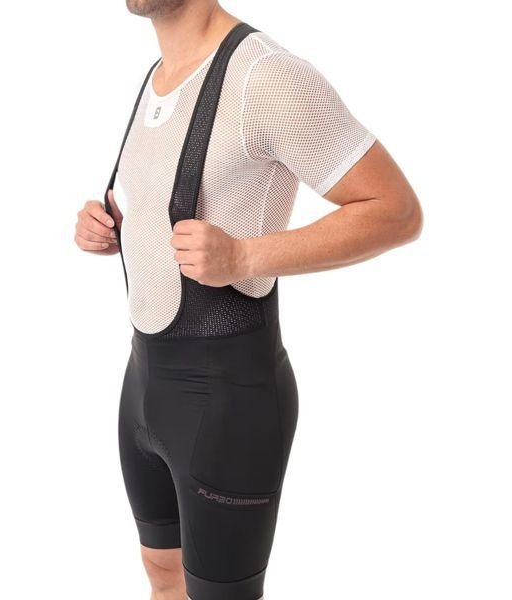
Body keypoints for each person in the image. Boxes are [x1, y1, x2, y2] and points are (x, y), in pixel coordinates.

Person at [74, 2, 423, 599]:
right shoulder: (160, 75)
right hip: (144, 386)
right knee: (163, 574)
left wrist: (244, 258)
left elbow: (396, 211)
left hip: (228, 401)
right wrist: (114, 230)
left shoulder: (267, 77)